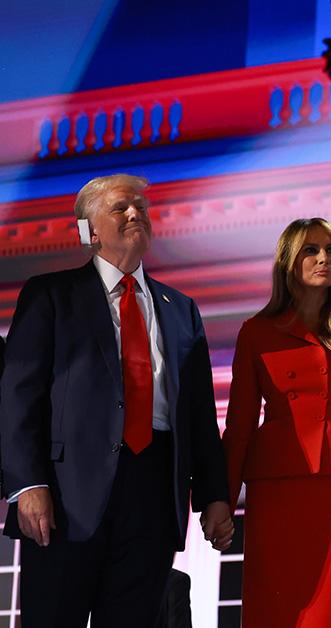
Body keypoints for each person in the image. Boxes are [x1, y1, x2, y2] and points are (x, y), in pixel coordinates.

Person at [0, 174, 233, 627]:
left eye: (141, 207)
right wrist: (27, 484)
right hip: (65, 496)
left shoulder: (181, 308)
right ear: (88, 231)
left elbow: (200, 415)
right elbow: (18, 396)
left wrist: (214, 496)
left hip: (153, 495)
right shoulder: (51, 295)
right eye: (120, 207)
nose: (135, 214)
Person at [222, 217, 331, 628]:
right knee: (277, 610)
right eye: (312, 250)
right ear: (288, 262)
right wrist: (222, 502)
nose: (325, 258)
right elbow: (240, 426)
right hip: (276, 489)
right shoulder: (256, 333)